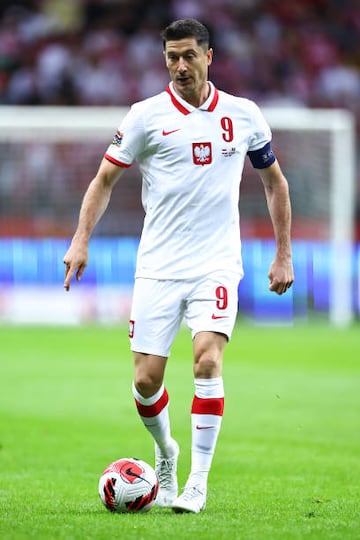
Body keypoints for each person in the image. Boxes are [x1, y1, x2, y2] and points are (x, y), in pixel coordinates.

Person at [63, 18, 294, 514]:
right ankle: (166, 451)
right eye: (172, 57)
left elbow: (274, 182)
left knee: (208, 359)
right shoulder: (145, 116)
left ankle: (198, 482)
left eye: (189, 55)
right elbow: (104, 180)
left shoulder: (243, 114)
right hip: (158, 265)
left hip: (216, 263)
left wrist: (283, 253)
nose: (181, 66)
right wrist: (81, 240)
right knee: (146, 381)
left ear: (209, 56)